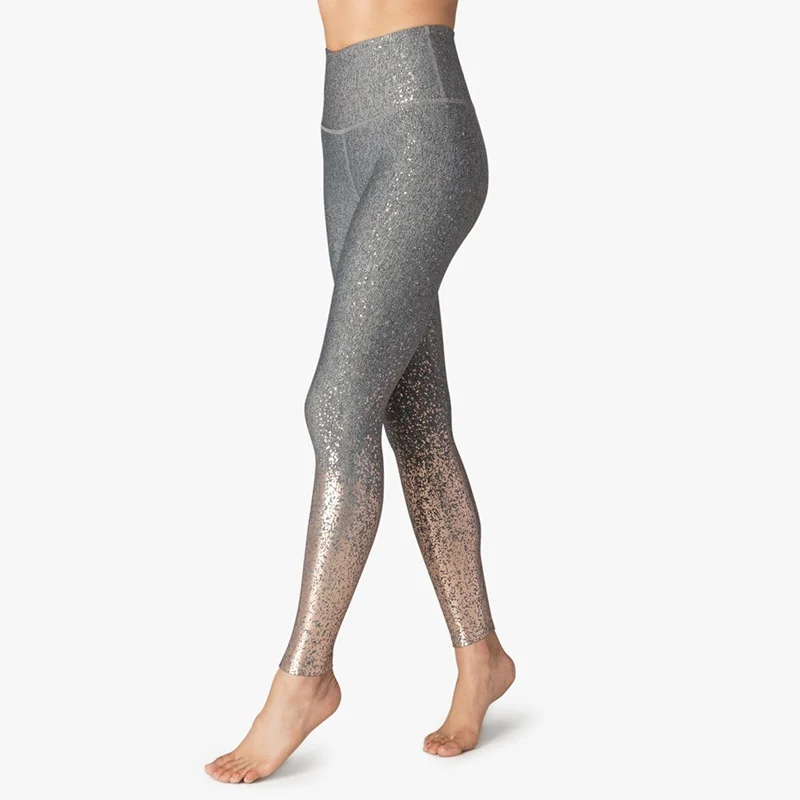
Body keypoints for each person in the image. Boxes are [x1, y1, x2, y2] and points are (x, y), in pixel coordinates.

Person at [205, 0, 515, 783]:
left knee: (336, 409)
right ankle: (481, 656)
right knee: (415, 416)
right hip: (341, 126)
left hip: (423, 127)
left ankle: (305, 677)